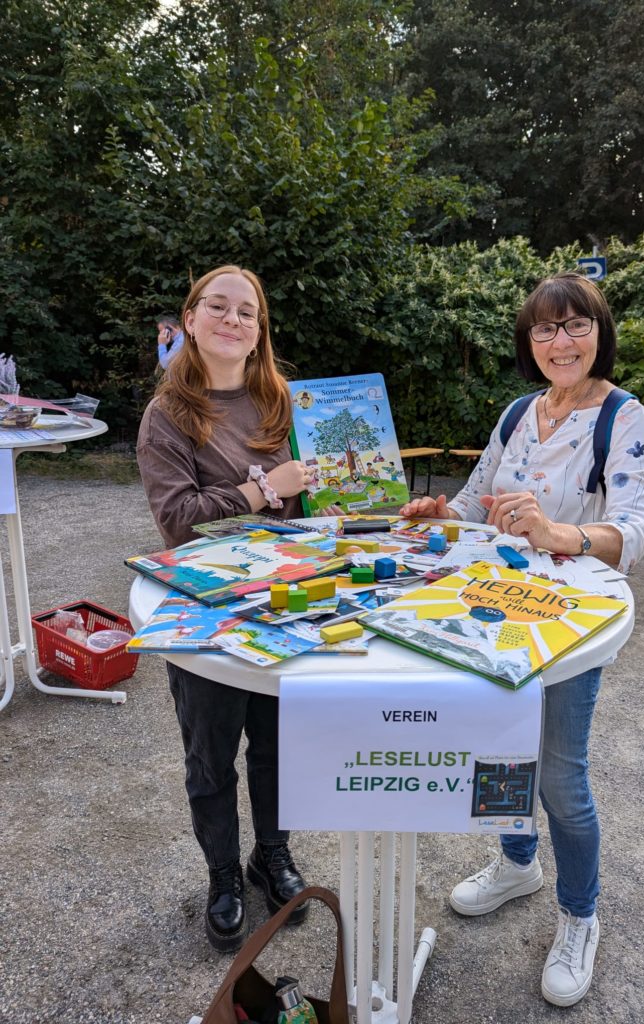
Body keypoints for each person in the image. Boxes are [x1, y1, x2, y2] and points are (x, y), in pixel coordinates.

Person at [400, 271, 644, 1007]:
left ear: (598, 332)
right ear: (529, 342)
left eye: (575, 325)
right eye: (545, 329)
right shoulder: (517, 412)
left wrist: (558, 534)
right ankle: (517, 863)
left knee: (560, 780)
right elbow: (475, 498)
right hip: (494, 610)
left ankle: (579, 917)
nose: (560, 340)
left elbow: (634, 529)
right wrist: (437, 512)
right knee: (499, 751)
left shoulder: (622, 417)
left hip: (568, 622)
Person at [137, 265, 317, 953]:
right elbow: (179, 523)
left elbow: (312, 509)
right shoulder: (168, 415)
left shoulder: (284, 403)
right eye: (218, 307)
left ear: (258, 330)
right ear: (190, 319)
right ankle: (222, 877)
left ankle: (269, 855)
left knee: (279, 746)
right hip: (205, 613)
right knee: (211, 757)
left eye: (247, 312)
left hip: (282, 604)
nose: (233, 320)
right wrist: (262, 491)